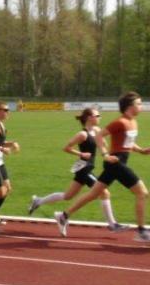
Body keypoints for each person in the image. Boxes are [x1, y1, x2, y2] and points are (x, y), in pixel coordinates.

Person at [55, 92, 150, 242]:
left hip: (117, 163)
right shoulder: (120, 122)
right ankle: (141, 231)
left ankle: (63, 215)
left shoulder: (133, 122)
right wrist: (105, 154)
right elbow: (99, 136)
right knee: (142, 193)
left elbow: (128, 142)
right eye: (138, 103)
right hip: (115, 162)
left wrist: (141, 150)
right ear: (129, 107)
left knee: (93, 194)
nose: (141, 106)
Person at [28, 107, 127, 232]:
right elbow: (66, 148)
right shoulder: (82, 134)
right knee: (104, 192)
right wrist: (81, 154)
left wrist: (104, 144)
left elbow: (103, 144)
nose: (100, 117)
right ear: (89, 118)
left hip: (86, 167)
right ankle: (112, 224)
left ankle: (38, 201)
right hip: (84, 168)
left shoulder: (97, 131)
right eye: (97, 116)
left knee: (68, 196)